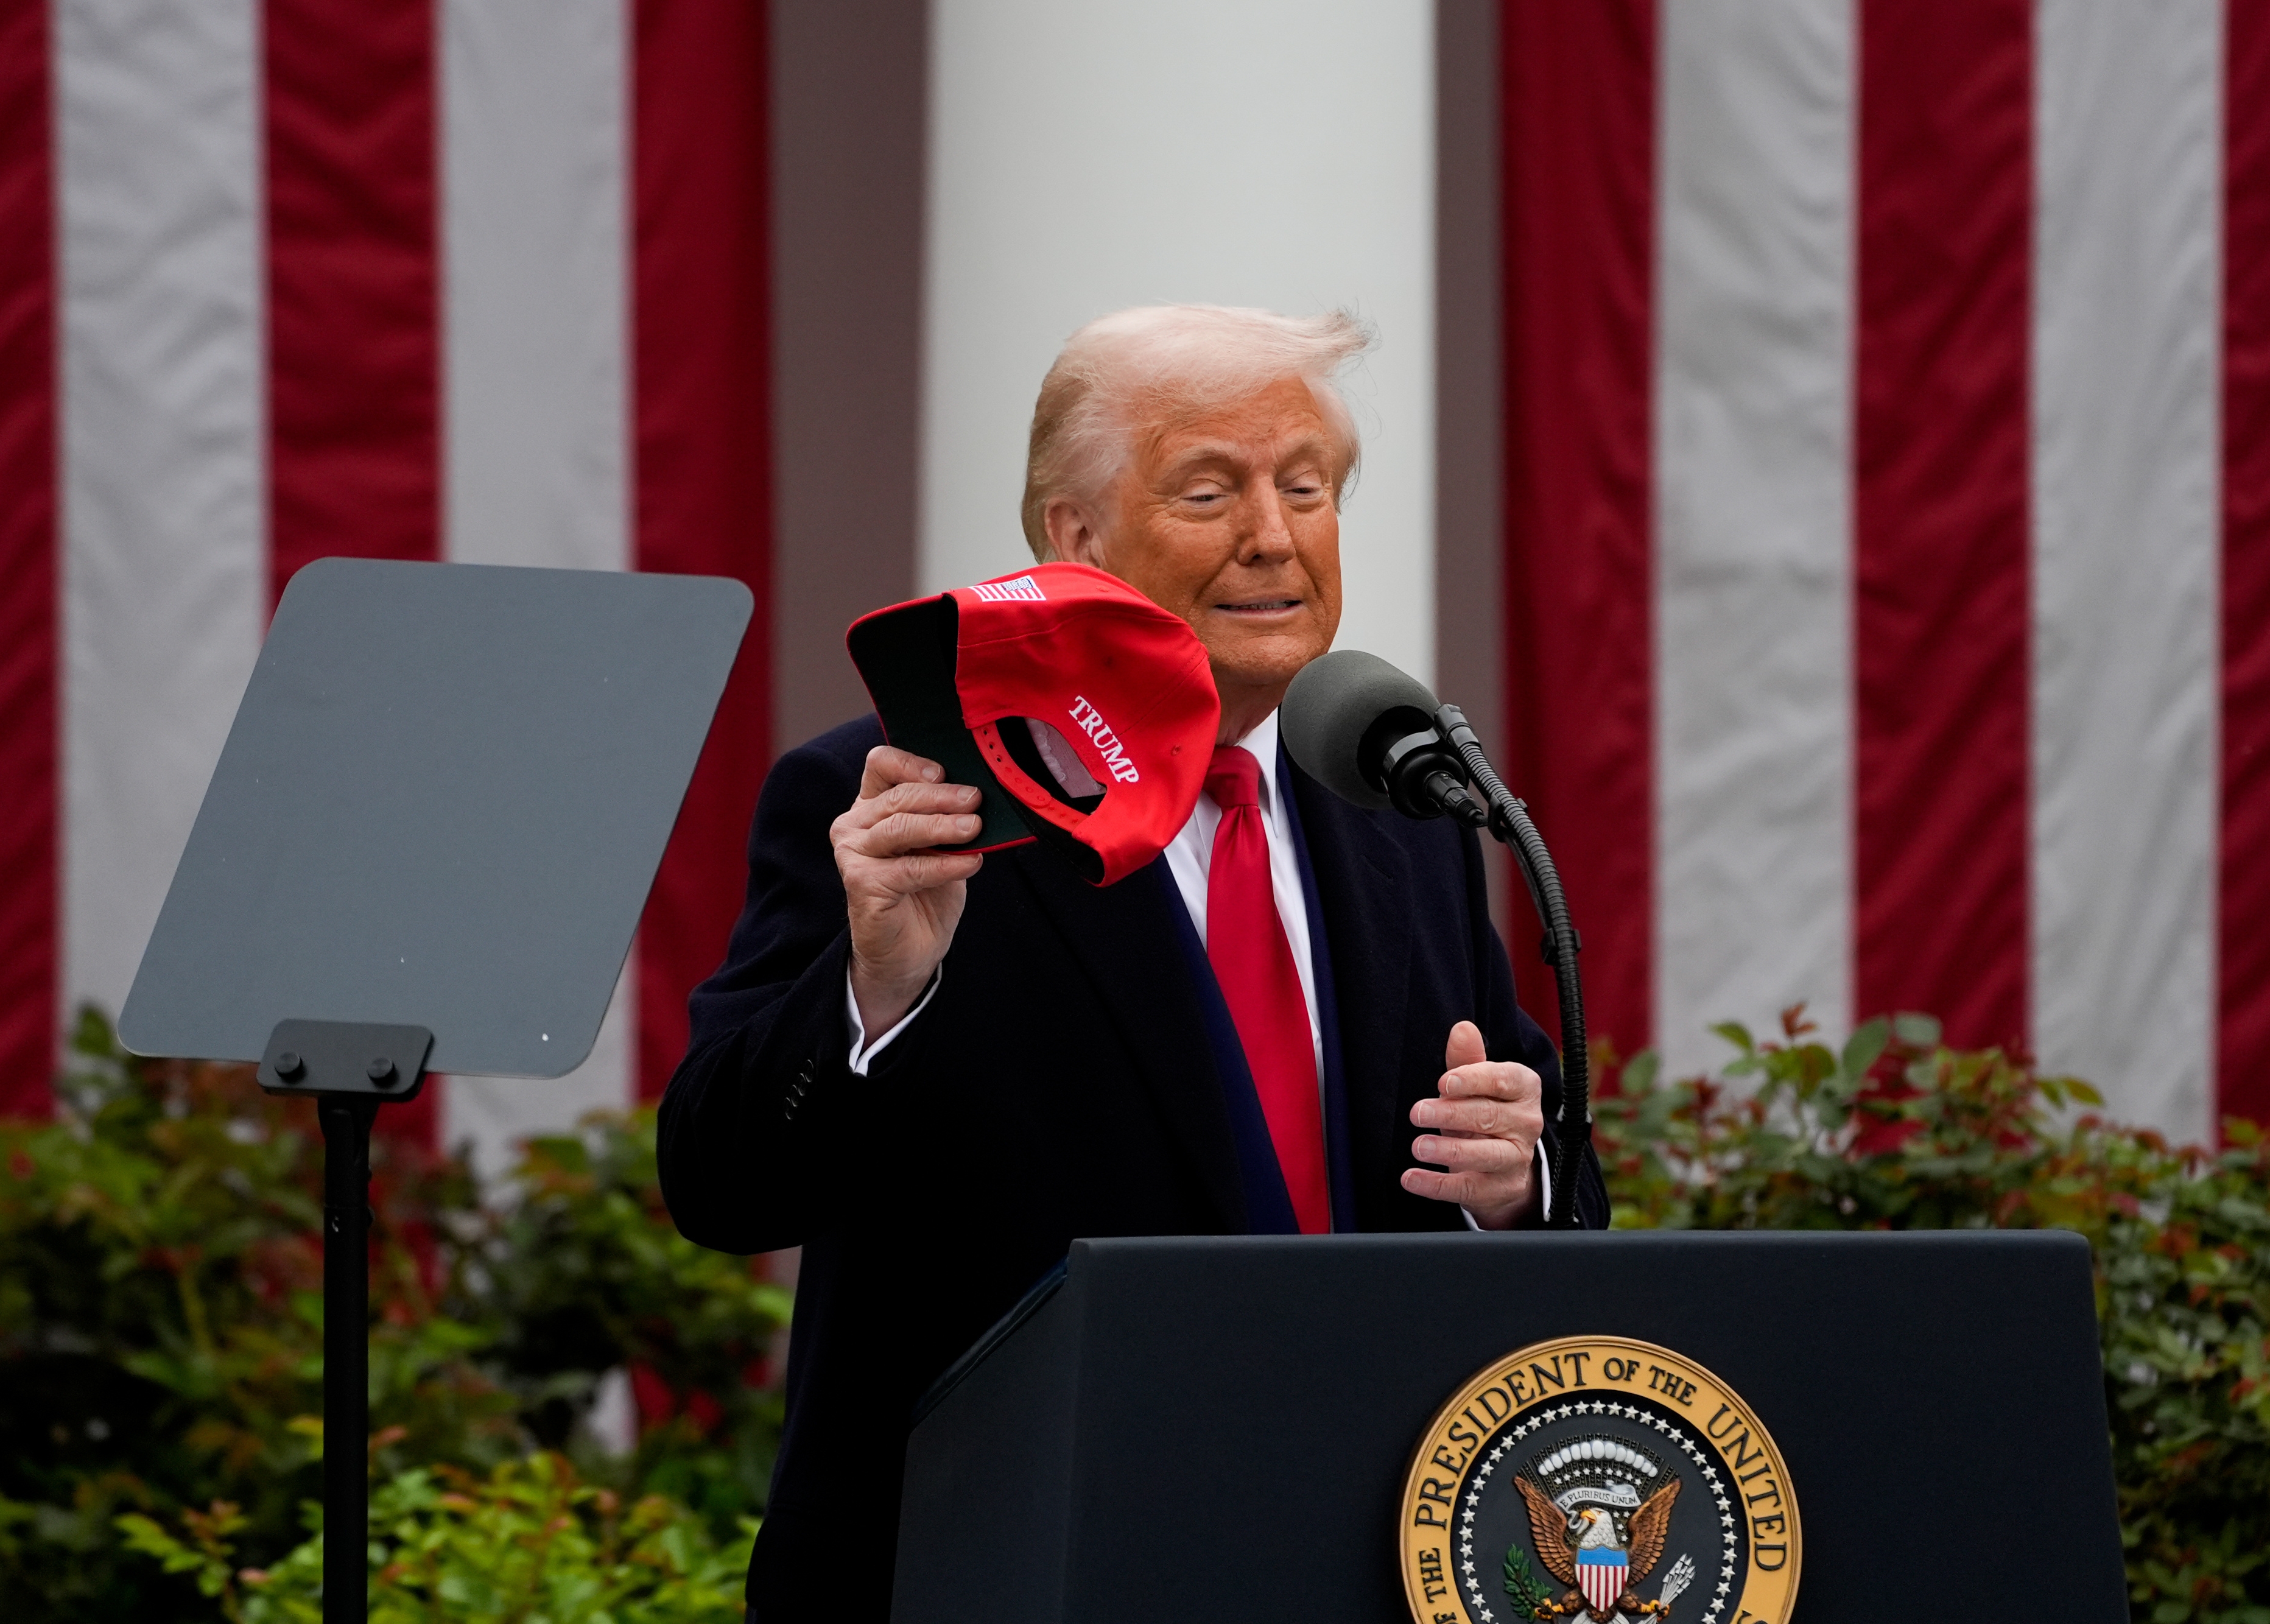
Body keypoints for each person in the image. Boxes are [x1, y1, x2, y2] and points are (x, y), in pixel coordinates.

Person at [658, 304, 1608, 1622]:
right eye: (1208, 490)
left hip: (1359, 1549)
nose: (1270, 536)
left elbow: (1546, 1168)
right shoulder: (909, 796)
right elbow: (720, 1182)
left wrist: (1516, 1178)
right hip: (1019, 1557)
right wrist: (876, 993)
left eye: (1303, 487)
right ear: (1076, 539)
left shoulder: (1404, 808)